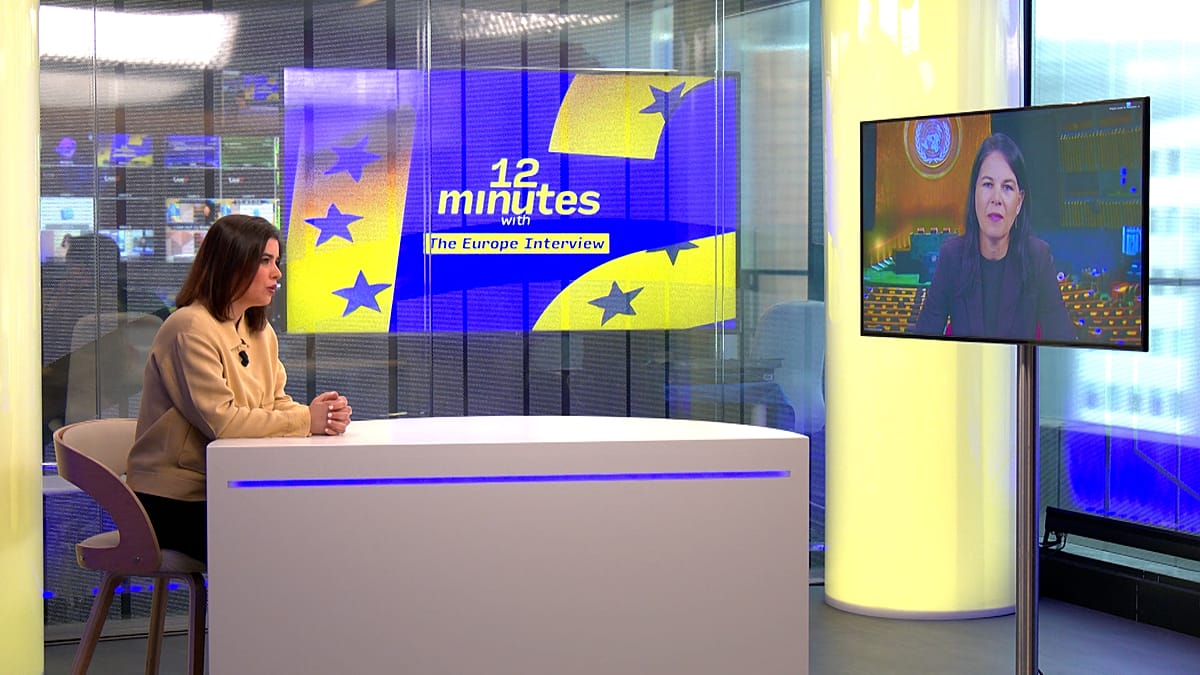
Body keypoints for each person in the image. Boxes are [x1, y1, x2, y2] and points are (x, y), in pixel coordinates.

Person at [126, 214, 353, 563]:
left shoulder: (259, 330)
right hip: (174, 500)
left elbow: (276, 402)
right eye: (265, 261)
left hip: (227, 487)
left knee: (318, 525)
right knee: (284, 544)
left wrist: (324, 417)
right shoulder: (189, 328)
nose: (277, 273)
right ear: (230, 264)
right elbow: (224, 424)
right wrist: (308, 420)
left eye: (276, 261)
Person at [913, 132, 1076, 341]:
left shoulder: (1038, 258)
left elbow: (1063, 340)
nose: (996, 199)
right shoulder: (951, 257)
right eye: (988, 185)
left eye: (1007, 187)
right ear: (974, 193)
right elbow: (923, 340)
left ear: (1019, 202)